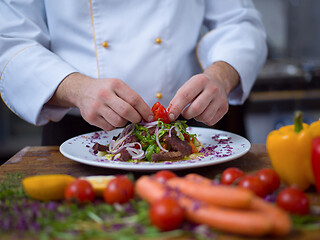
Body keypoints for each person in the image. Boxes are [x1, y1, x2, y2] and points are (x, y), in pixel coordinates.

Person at [0, 0, 267, 145]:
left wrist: (220, 75)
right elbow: (10, 39)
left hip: (185, 129)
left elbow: (239, 22)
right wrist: (77, 89)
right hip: (78, 137)